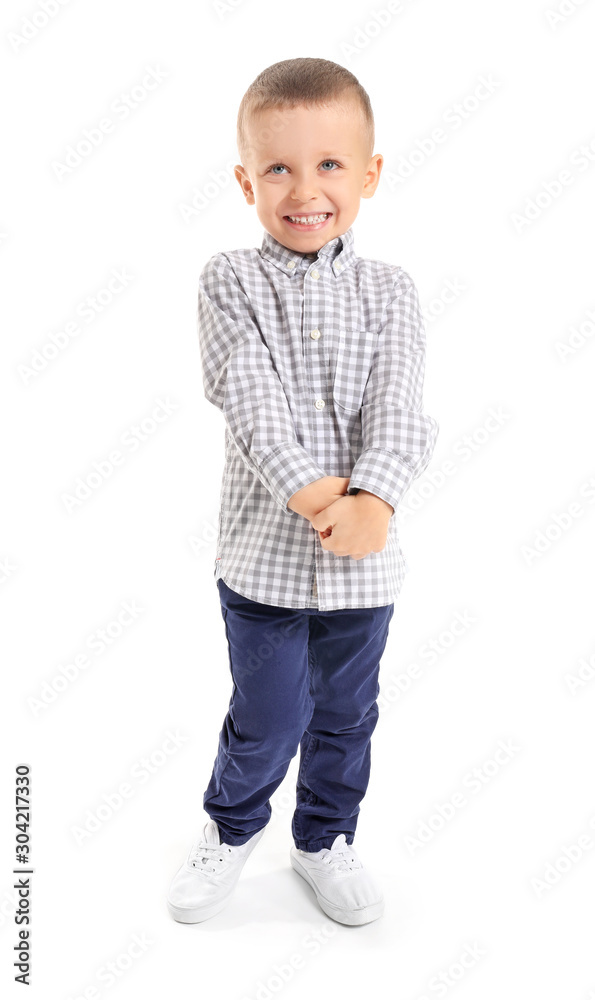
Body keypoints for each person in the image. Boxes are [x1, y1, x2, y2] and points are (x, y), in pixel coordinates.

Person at [167, 56, 439, 927]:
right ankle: (230, 824)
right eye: (278, 167)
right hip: (263, 566)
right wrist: (327, 502)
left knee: (346, 715)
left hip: (364, 566)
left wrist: (376, 504)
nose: (303, 189)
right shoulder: (228, 280)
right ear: (247, 180)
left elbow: (400, 408)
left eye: (328, 165)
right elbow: (249, 406)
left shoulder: (389, 291)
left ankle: (324, 838)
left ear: (368, 173)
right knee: (267, 716)